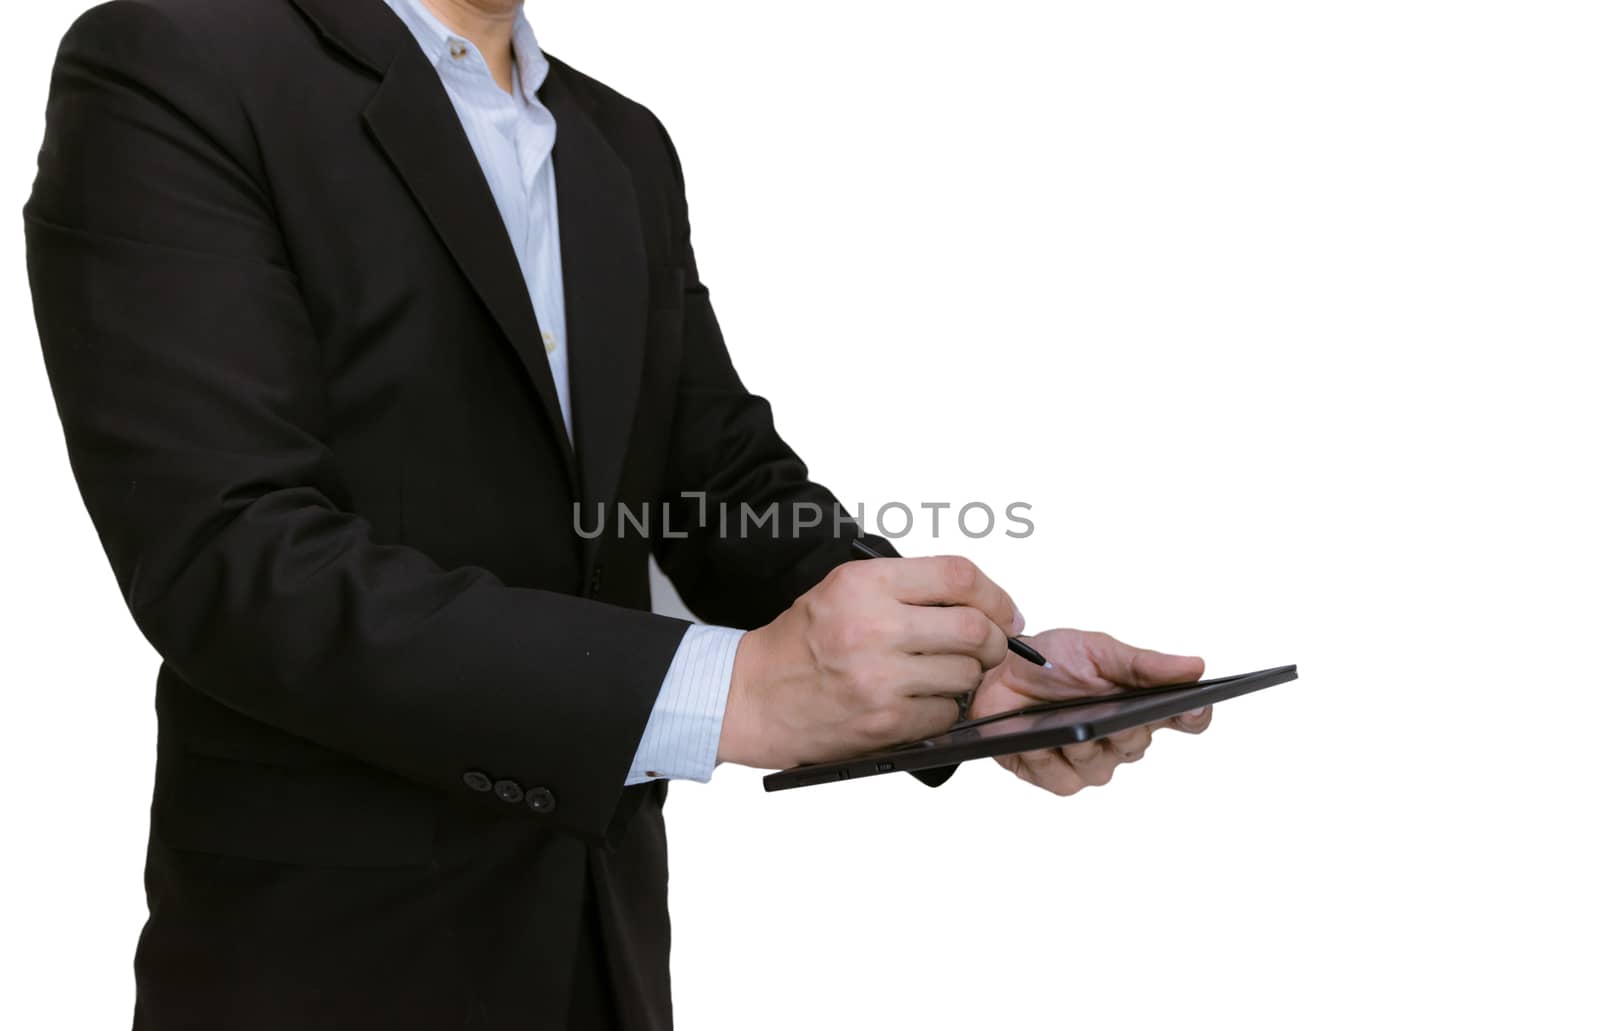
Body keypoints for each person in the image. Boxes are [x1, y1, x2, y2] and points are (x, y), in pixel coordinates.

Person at [24, 1, 1212, 1027]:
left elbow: (719, 484)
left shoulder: (617, 142)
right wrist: (732, 691)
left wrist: (966, 671)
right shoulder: (173, 61)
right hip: (327, 956)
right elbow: (232, 557)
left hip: (603, 944)